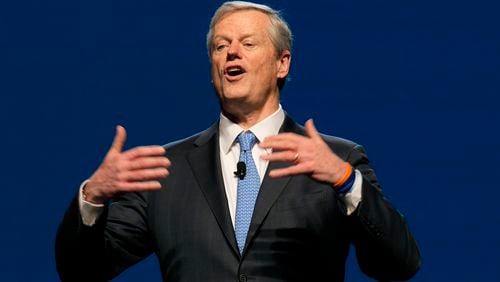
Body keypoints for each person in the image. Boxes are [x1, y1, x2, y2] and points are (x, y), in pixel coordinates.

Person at [56, 1, 421, 281]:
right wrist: (92, 197)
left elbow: (398, 263)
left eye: (248, 43)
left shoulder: (337, 158)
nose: (232, 53)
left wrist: (345, 181)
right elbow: (82, 272)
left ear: (283, 63)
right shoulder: (166, 171)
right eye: (220, 46)